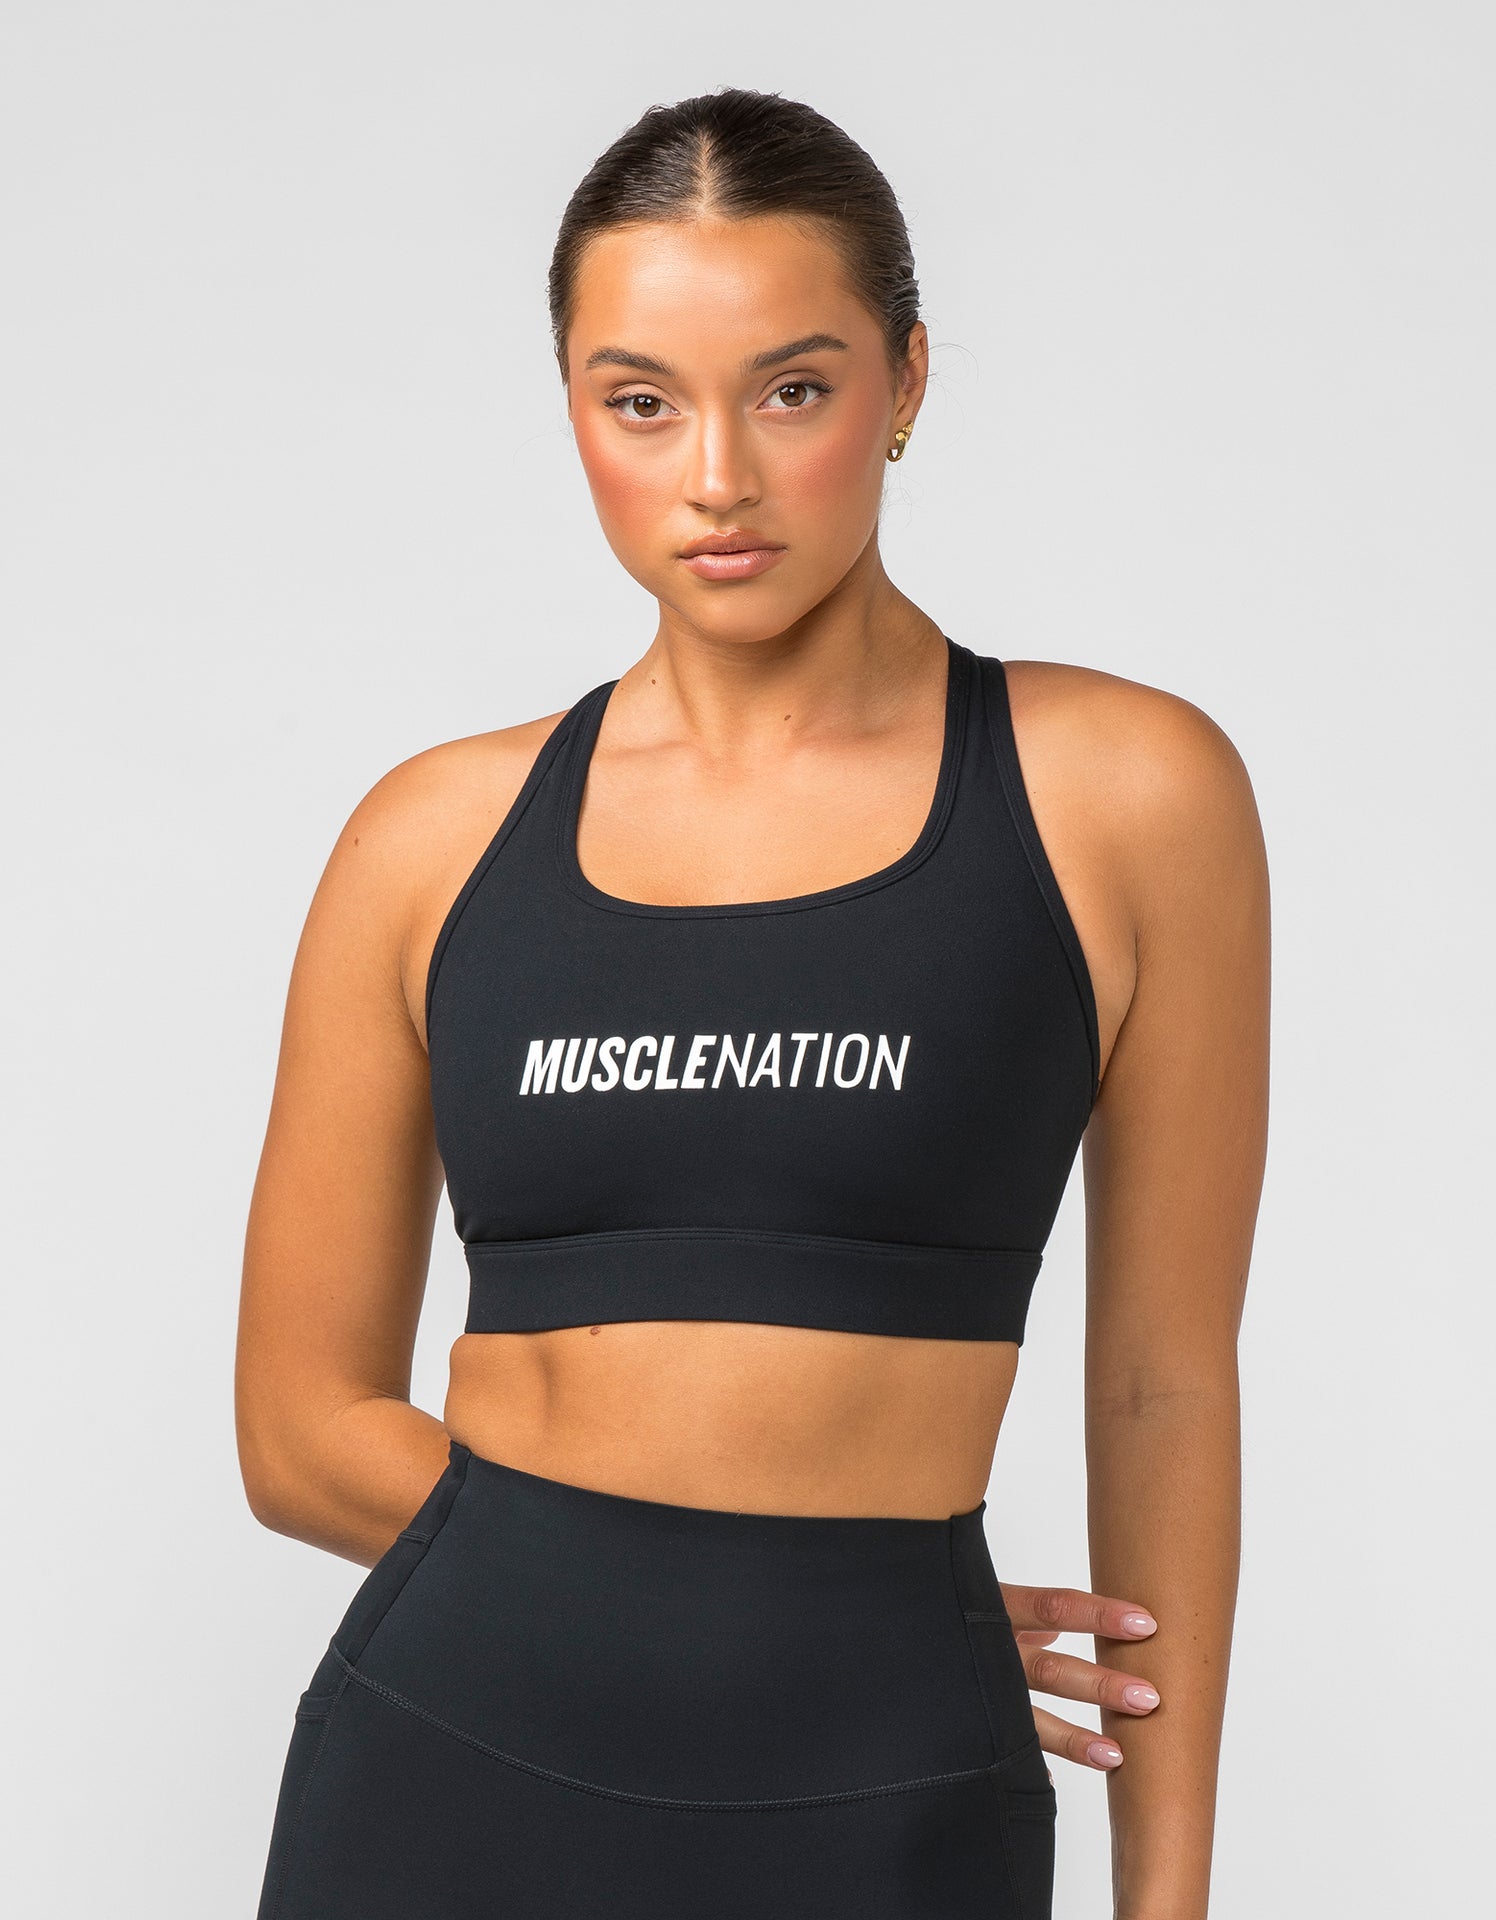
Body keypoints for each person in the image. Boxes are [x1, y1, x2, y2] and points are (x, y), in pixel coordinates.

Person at [238, 86, 1269, 1919]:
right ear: (571, 407)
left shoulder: (1125, 797)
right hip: (450, 1779)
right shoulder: (431, 839)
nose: (717, 474)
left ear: (909, 381)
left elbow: (1164, 1387)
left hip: (892, 1801)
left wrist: (1165, 1899)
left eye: (793, 389)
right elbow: (298, 1427)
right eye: (641, 401)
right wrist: (779, 1614)